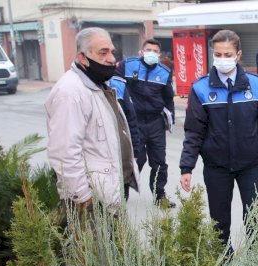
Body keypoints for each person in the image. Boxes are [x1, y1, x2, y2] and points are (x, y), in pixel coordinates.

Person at [180, 29, 258, 250]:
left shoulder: (256, 85)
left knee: (254, 221)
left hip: (251, 165)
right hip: (216, 167)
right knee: (219, 223)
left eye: (228, 54)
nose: (223, 59)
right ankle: (223, 264)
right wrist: (186, 167)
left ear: (238, 54)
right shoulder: (200, 88)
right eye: (218, 54)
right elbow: (194, 132)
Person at [46, 27, 139, 210]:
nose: (111, 58)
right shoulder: (71, 92)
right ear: (82, 58)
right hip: (91, 202)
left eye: (112, 52)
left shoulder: (98, 85)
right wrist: (82, 197)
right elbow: (64, 152)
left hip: (109, 194)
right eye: (103, 53)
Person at [115, 38, 176, 207]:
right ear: (142, 51)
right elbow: (116, 88)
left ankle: (159, 196)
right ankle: (123, 192)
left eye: (155, 51)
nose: (152, 53)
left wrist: (169, 118)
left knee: (159, 161)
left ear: (159, 54)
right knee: (136, 159)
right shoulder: (128, 66)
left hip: (155, 122)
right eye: (149, 50)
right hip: (134, 122)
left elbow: (168, 98)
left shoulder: (164, 72)